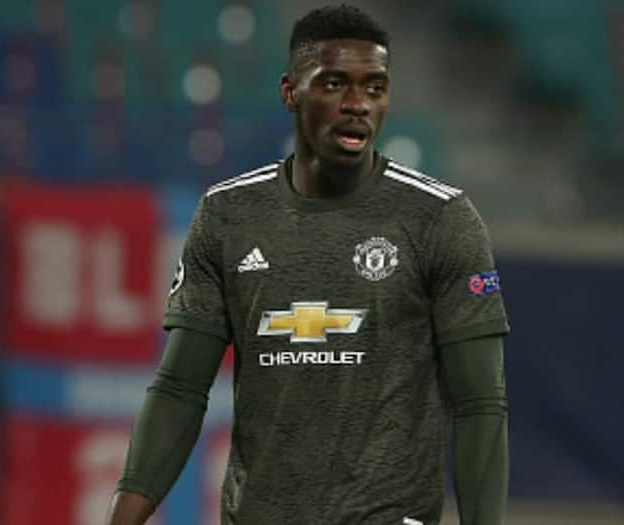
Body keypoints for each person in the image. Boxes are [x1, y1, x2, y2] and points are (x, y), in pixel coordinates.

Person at [106, 5, 509, 525]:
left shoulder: (440, 218)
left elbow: (480, 405)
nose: (358, 105)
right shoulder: (229, 215)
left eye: (375, 87)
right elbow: (181, 388)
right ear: (290, 91)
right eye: (335, 84)